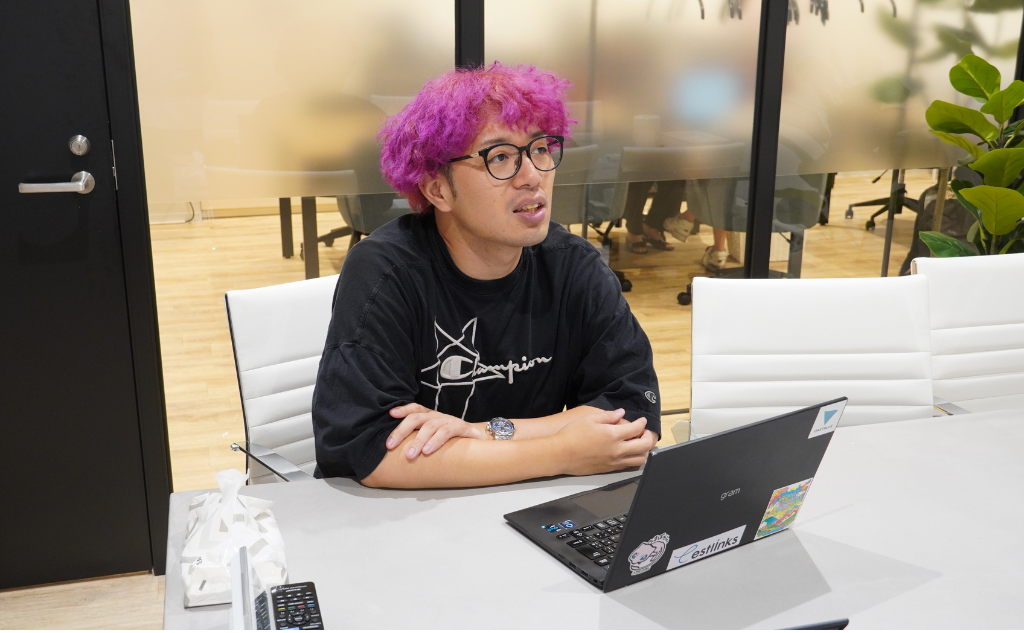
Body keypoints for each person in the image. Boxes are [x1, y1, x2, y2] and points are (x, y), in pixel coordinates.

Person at [312, 62, 661, 489]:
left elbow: (632, 419)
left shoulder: (572, 265)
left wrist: (482, 433)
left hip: (529, 501)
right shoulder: (386, 272)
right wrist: (562, 450)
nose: (533, 176)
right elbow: (368, 451)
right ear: (438, 190)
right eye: (499, 157)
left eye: (539, 149)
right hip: (404, 515)